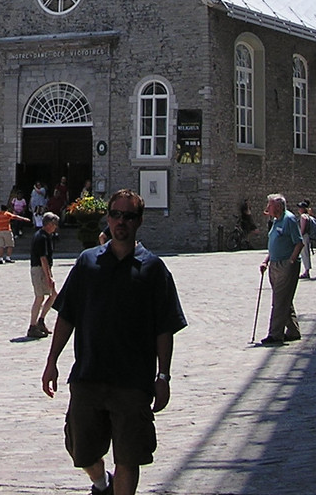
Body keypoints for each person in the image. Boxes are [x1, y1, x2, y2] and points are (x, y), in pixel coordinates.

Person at [42, 189, 187, 495]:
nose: (122, 221)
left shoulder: (153, 269)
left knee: (129, 457)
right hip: (88, 376)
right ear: (107, 218)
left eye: (129, 216)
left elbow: (165, 328)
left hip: (133, 382)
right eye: (116, 214)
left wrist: (163, 376)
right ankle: (101, 483)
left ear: (139, 221)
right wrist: (51, 362)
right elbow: (67, 316)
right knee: (81, 451)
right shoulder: (88, 263)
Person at [258, 194, 304, 345]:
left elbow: (299, 243)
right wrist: (266, 261)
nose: (267, 208)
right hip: (274, 264)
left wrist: (291, 261)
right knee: (283, 299)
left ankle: (275, 334)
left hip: (286, 264)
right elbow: (274, 244)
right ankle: (293, 331)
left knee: (279, 301)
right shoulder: (276, 220)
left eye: (269, 205)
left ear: (278, 207)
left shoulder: (289, 219)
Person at [27, 212, 59, 338]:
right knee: (39, 297)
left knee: (53, 295)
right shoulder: (42, 237)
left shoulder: (45, 235)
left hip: (43, 269)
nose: (56, 227)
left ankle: (41, 320)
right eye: (54, 224)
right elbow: (43, 258)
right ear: (49, 224)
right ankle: (32, 326)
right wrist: (48, 277)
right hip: (39, 270)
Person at [296, 201, 316, 279]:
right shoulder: (308, 216)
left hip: (304, 237)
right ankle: (306, 270)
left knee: (305, 254)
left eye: (300, 208)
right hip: (307, 236)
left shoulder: (303, 216)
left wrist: (300, 237)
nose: (299, 209)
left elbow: (303, 228)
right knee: (305, 253)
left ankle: (306, 271)